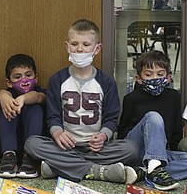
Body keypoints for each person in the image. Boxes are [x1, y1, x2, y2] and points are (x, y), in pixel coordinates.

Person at [24, 19, 139, 184]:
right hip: (65, 147)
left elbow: (112, 118)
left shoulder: (106, 82)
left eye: (86, 44)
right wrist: (57, 133)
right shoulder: (57, 79)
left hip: (96, 149)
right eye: (74, 43)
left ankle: (59, 167)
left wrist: (103, 136)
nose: (79, 49)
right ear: (67, 46)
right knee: (32, 144)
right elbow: (53, 116)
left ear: (97, 48)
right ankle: (97, 171)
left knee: (132, 149)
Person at [117, 50, 187, 191]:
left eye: (160, 74)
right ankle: (153, 168)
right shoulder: (131, 98)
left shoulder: (174, 97)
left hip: (160, 152)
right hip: (137, 149)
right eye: (148, 74)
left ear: (168, 78)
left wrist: (168, 151)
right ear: (139, 78)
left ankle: (144, 172)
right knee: (153, 116)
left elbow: (176, 131)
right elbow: (123, 132)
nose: (154, 78)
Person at [0, 53, 46, 178]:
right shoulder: (8, 93)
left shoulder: (41, 92)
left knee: (34, 107)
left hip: (34, 148)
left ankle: (30, 158)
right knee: (8, 107)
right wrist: (3, 95)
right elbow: (4, 94)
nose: (24, 80)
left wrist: (23, 98)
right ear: (9, 82)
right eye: (18, 77)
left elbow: (37, 97)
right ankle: (9, 155)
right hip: (9, 146)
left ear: (36, 77)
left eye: (28, 75)